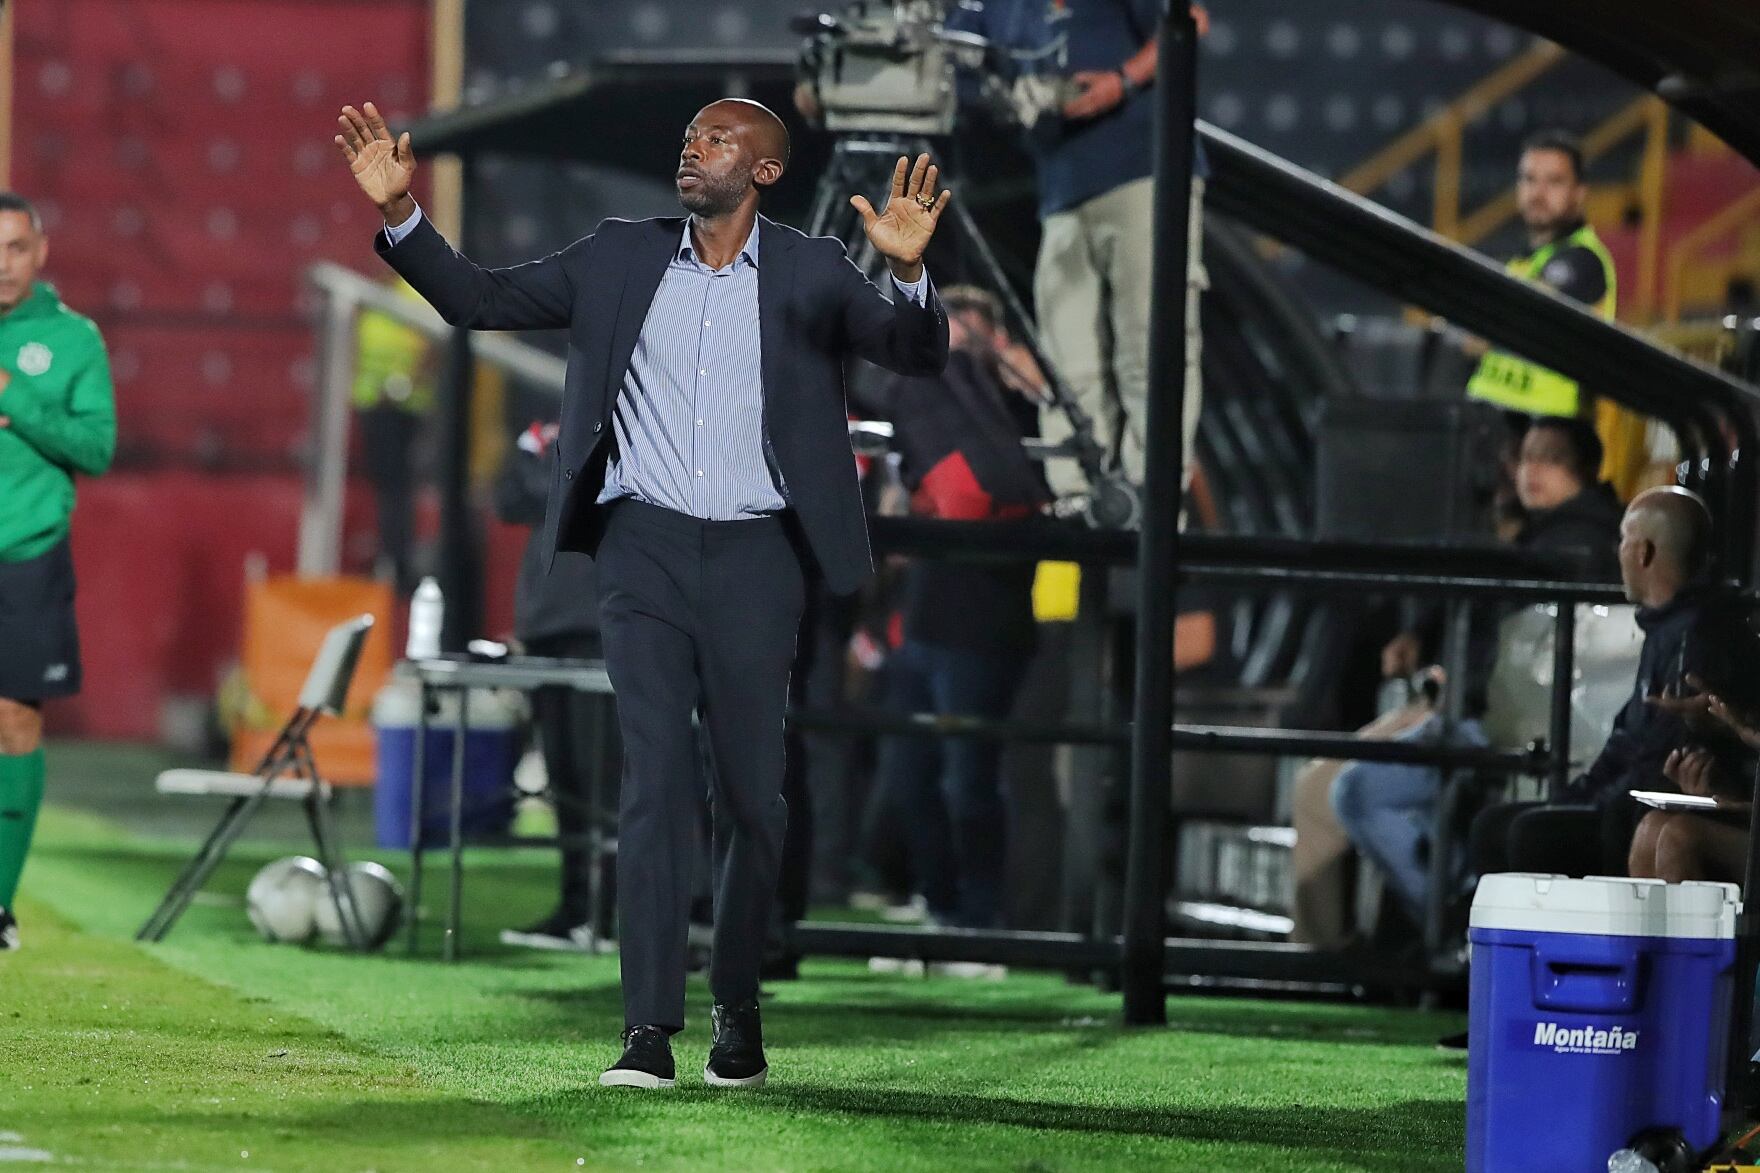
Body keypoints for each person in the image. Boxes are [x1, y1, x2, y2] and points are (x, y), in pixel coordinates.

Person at [335, 98, 948, 1089]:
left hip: (759, 559)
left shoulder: (813, 270)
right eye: (687, 139)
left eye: (715, 141)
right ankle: (646, 1033)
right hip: (641, 550)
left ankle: (736, 1009)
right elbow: (479, 299)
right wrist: (402, 212)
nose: (690, 150)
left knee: (752, 800)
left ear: (762, 172)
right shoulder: (617, 254)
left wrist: (911, 271)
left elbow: (913, 354)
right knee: (654, 781)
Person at [1291, 417, 1621, 947]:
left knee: (1343, 788)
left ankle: (1446, 918)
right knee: (1326, 784)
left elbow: (1523, 645)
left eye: (1552, 458)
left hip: (1488, 715)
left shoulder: (1576, 543)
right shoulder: (1538, 534)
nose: (1531, 470)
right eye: (1527, 456)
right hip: (1466, 702)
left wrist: (1456, 680)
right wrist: (1424, 638)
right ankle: (1403, 927)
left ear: (1583, 470)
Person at [945, 0, 1210, 502]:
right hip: (1062, 192)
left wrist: (1122, 81)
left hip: (1144, 171)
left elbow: (1190, 22)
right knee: (1068, 358)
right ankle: (1078, 500)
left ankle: (1150, 503)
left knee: (1149, 346)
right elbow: (952, 55)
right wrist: (1001, 94)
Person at [864, 284, 1048, 935]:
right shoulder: (930, 420)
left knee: (969, 778)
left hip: (986, 625)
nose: (953, 359)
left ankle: (980, 912)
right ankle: (942, 903)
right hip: (923, 620)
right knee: (911, 777)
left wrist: (1018, 374)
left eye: (965, 340)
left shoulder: (1023, 416)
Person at [1470, 487, 1760, 880]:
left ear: (1643, 552)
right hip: (1630, 801)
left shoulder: (1696, 635)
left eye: (1624, 540)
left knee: (1535, 835)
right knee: (1495, 825)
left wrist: (1593, 804)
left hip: (1649, 803)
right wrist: (1573, 799)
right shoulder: (1665, 628)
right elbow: (1627, 738)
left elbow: (1660, 755)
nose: (1618, 552)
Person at [0, 191, 118, 950]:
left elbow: (97, 447)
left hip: (28, 556)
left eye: (14, 247)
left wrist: (15, 398)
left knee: (14, 723)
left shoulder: (72, 340)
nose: (0, 263)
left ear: (40, 252)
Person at [1464, 130, 1649, 497]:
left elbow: (1519, 317)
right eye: (1529, 179)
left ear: (1580, 193)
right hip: (1496, 430)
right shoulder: (1521, 263)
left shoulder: (1584, 261)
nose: (1538, 192)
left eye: (1554, 181)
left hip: (1552, 442)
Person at [492, 419, 619, 952]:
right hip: (548, 623)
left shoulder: (630, 411)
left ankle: (611, 914)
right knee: (565, 777)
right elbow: (509, 497)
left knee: (606, 780)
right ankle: (574, 907)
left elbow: (587, 493)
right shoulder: (549, 426)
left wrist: (556, 472)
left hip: (603, 620)